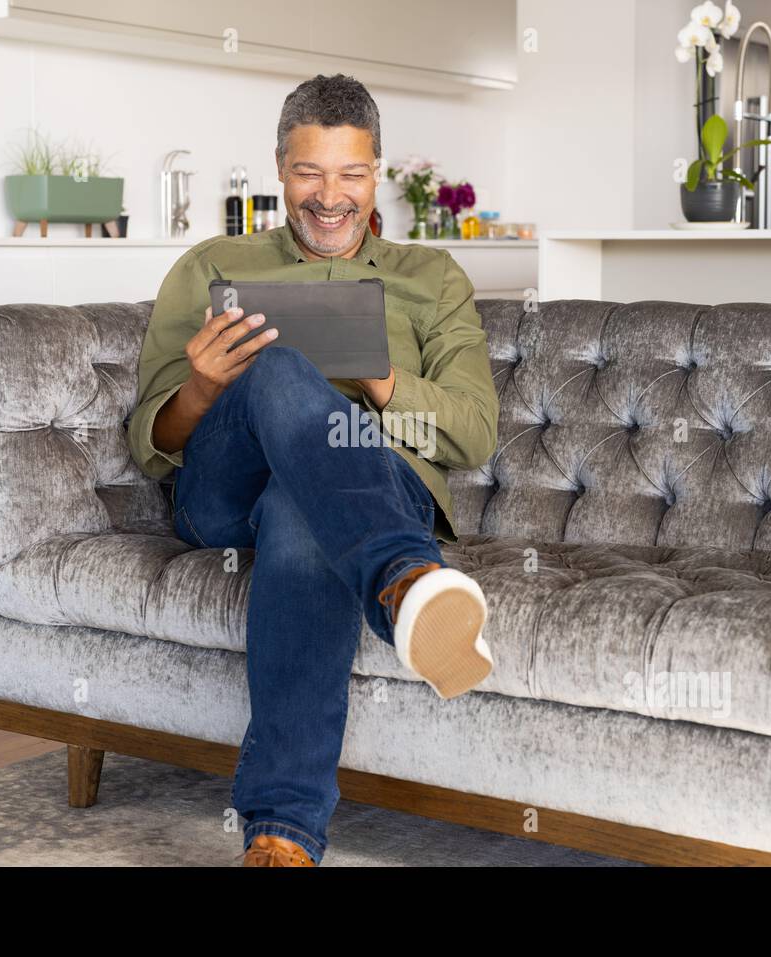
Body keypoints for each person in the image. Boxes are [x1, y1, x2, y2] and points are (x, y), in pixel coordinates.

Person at [126, 73, 500, 867]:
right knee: (278, 364)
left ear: (377, 175)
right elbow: (146, 439)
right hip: (225, 488)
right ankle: (401, 577)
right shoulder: (210, 267)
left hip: (363, 485)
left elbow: (472, 434)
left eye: (351, 175)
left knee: (304, 514)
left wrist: (381, 379)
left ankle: (282, 835)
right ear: (278, 170)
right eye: (309, 173)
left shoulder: (431, 280)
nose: (330, 197)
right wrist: (199, 389)